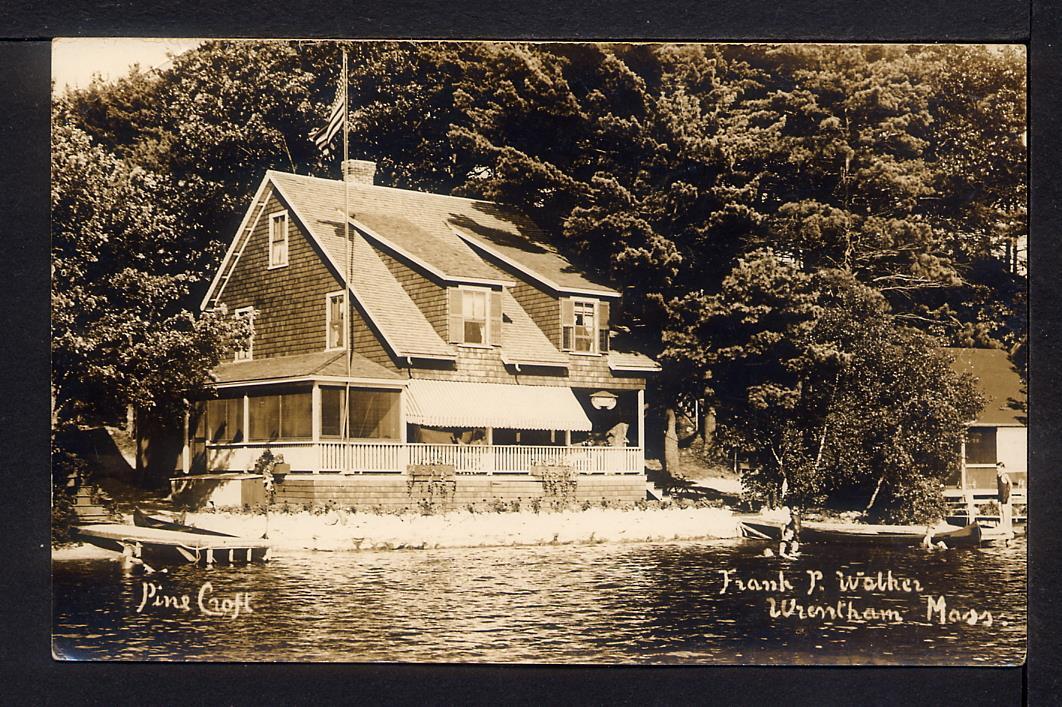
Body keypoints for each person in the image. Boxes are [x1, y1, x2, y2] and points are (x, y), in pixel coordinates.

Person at [996, 461, 1014, 538]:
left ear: (1002, 468)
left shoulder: (1005, 475)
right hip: (1000, 494)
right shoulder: (998, 475)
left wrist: (1009, 493)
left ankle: (1006, 526)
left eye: (998, 468)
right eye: (996, 468)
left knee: (1004, 510)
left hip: (1004, 495)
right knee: (1000, 509)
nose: (997, 469)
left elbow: (1011, 484)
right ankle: (1002, 524)